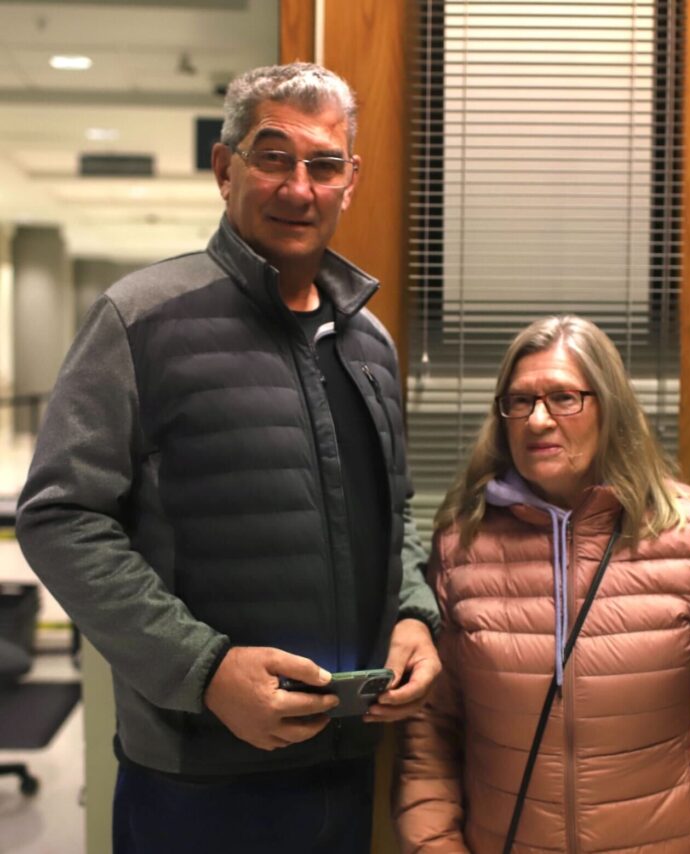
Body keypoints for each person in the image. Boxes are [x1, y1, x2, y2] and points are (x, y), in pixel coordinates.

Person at [15, 62, 441, 854]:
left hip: (344, 760)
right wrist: (204, 671)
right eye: (274, 157)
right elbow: (61, 518)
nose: (298, 187)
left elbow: (395, 511)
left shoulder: (369, 344)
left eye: (324, 164)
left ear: (351, 180)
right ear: (225, 168)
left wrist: (414, 613)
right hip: (197, 779)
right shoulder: (140, 320)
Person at [393, 315, 690, 853]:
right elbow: (429, 739)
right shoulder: (463, 547)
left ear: (609, 408)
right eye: (520, 401)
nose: (537, 420)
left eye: (564, 398)